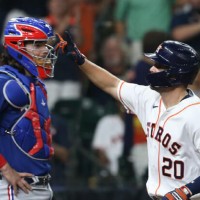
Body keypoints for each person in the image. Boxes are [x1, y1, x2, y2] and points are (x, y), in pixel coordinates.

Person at [55, 31, 200, 200]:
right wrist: (81, 61)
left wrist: (184, 191)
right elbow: (112, 84)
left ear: (176, 74)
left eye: (159, 65)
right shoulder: (148, 97)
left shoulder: (195, 114)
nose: (152, 68)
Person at [0, 17, 58, 199]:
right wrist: (5, 168)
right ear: (17, 45)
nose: (45, 50)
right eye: (38, 45)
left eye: (45, 45)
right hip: (13, 188)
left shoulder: (35, 83)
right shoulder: (6, 82)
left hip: (40, 186)